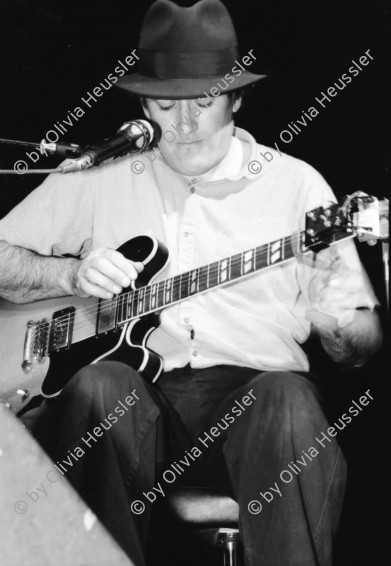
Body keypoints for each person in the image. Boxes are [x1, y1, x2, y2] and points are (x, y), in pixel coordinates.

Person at [0, 1, 382, 565]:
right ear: (142, 106)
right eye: (164, 104)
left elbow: (360, 345)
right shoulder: (102, 174)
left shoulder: (298, 186)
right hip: (135, 404)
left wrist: (340, 325)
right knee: (99, 387)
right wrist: (68, 273)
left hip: (258, 407)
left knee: (288, 399)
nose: (183, 124)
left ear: (236, 98)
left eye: (203, 103)